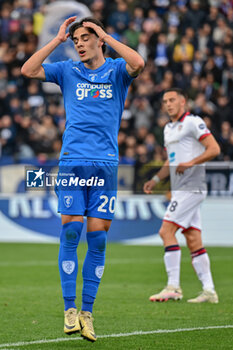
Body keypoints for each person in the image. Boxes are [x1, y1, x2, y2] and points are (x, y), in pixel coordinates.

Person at [21, 16, 144, 342]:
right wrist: (57, 40)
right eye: (76, 38)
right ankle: (69, 309)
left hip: (105, 164)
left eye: (85, 37)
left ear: (98, 39)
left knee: (99, 239)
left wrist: (107, 35)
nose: (79, 42)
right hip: (73, 163)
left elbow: (138, 62)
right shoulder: (67, 70)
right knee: (72, 229)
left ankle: (88, 312)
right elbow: (28, 70)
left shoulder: (117, 70)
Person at [143, 88, 220, 304]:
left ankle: (173, 287)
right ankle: (209, 291)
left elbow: (214, 149)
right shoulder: (168, 129)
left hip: (192, 187)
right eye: (165, 101)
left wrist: (191, 163)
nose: (168, 104)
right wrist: (157, 180)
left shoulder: (193, 122)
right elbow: (172, 161)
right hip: (181, 189)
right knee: (193, 238)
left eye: (172, 100)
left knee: (166, 231)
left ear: (183, 101)